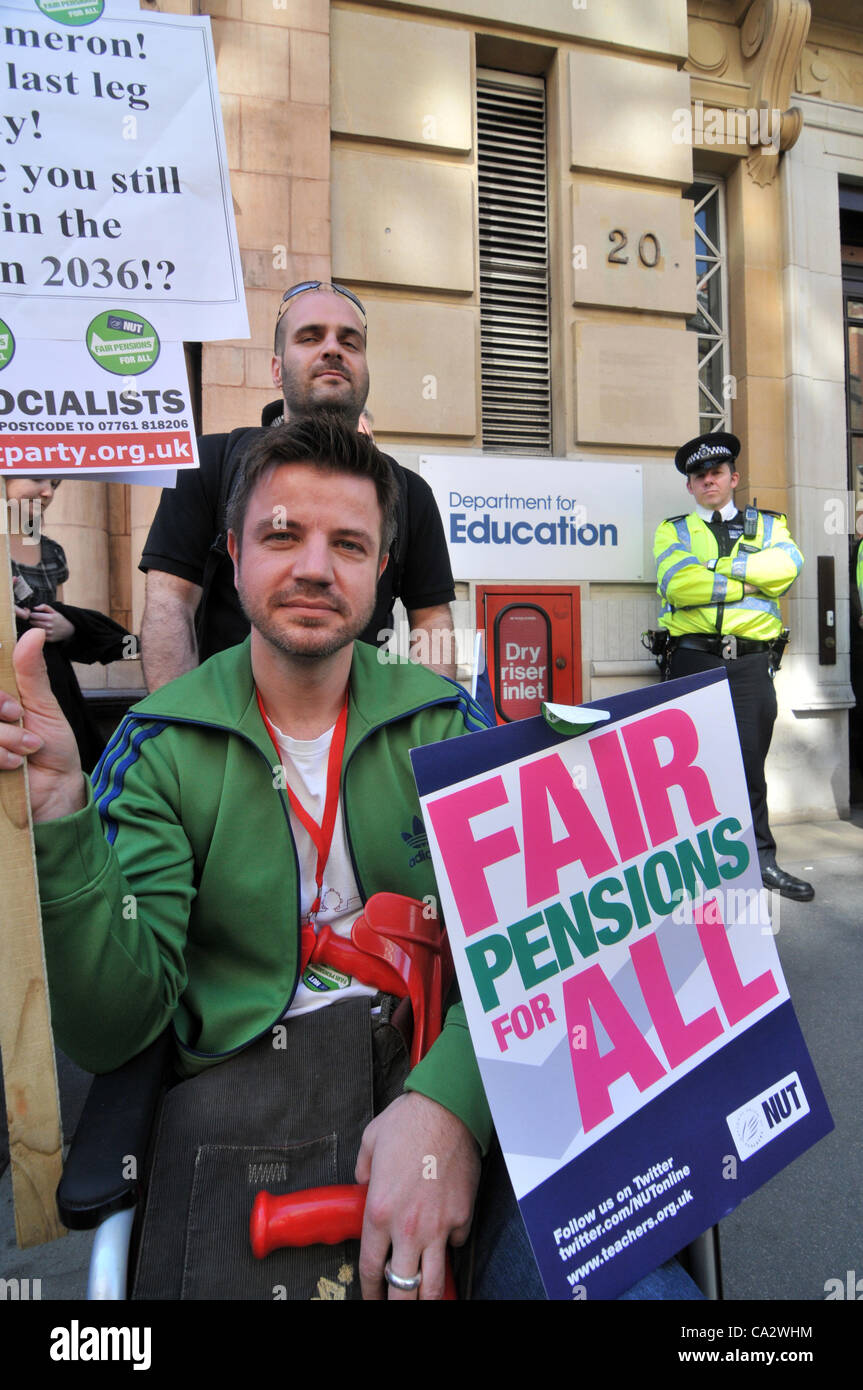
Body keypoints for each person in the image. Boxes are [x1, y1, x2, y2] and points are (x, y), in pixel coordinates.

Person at [139, 281, 457, 688]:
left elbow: (431, 620)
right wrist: (179, 732)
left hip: (363, 739)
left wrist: (435, 729)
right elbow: (170, 602)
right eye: (310, 337)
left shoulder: (410, 493)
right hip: (226, 737)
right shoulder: (209, 465)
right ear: (276, 369)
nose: (332, 349)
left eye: (350, 342)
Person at [653, 431, 813, 902]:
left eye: (716, 472)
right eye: (698, 475)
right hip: (692, 658)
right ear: (690, 486)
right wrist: (750, 577)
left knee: (748, 764)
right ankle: (690, 870)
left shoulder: (770, 525)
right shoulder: (673, 530)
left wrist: (719, 571)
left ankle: (760, 859)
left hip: (749, 663)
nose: (708, 480)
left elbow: (786, 568)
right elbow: (678, 585)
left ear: (733, 478)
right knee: (687, 767)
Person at [6, 475, 131, 772]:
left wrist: (67, 627)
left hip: (51, 685)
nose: (48, 492)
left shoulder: (51, 551)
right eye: (37, 479)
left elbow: (57, 611)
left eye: (56, 483)